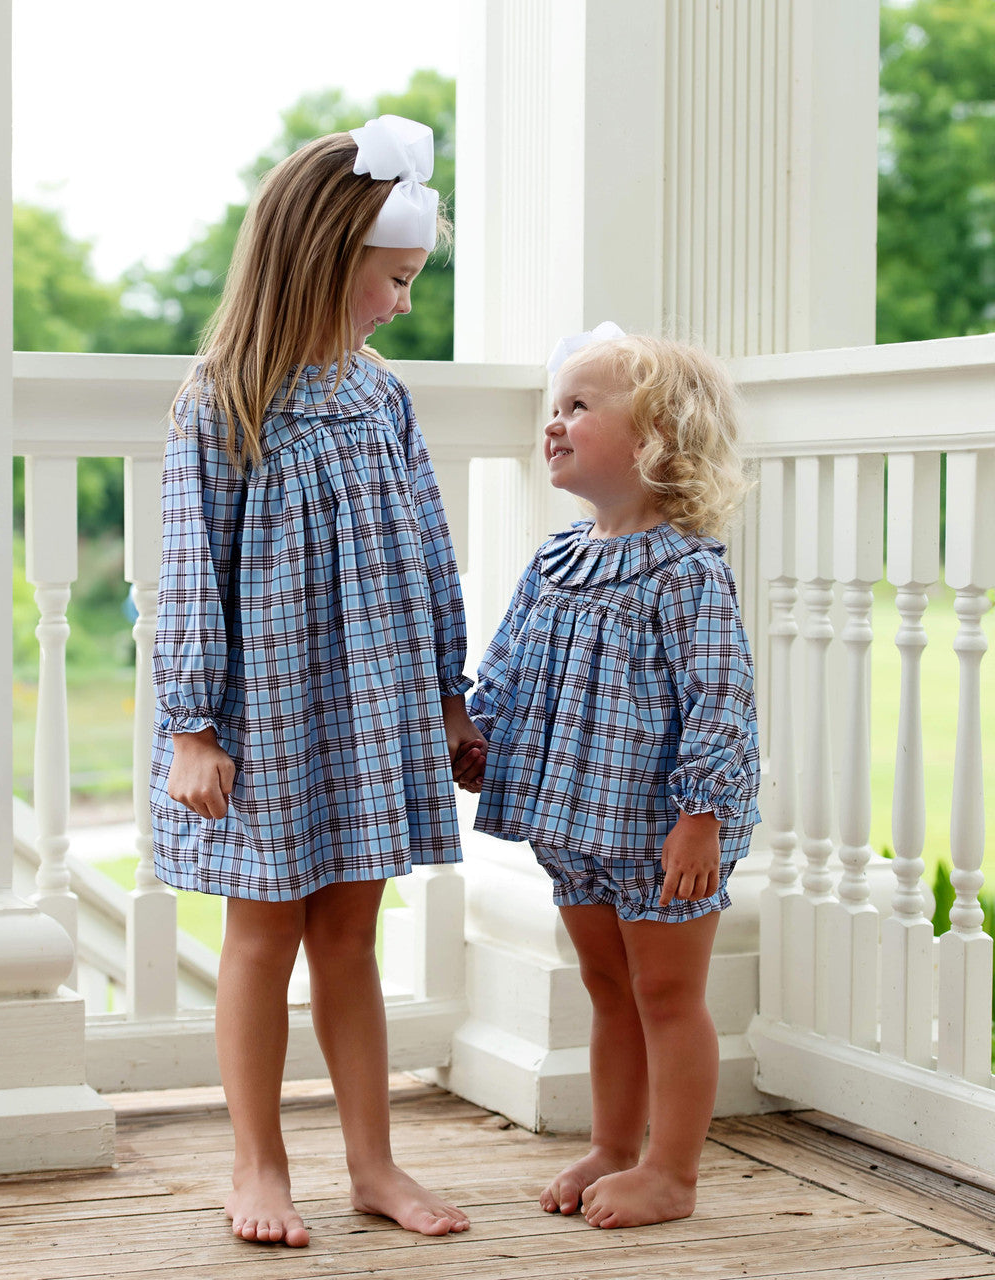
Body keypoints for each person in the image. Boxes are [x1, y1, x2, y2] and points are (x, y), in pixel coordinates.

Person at [150, 115, 485, 1248]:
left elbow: (429, 547)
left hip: (375, 702)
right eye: (393, 278)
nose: (402, 302)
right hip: (273, 711)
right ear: (324, 256)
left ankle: (373, 1161)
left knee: (353, 935)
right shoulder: (225, 397)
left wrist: (448, 690)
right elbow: (192, 568)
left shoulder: (380, 398)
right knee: (263, 935)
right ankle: (257, 1159)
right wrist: (193, 723)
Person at [465, 326, 760, 1230]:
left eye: (579, 407)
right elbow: (510, 671)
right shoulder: (556, 559)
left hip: (664, 832)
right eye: (552, 409)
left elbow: (720, 699)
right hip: (576, 823)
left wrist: (700, 814)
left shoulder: (686, 572)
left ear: (657, 435)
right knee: (605, 986)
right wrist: (481, 736)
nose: (554, 425)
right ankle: (612, 1145)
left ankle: (672, 1172)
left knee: (667, 993)